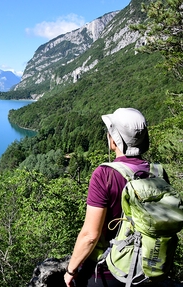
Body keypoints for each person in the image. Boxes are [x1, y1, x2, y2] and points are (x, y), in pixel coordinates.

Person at [64, 108, 164, 287]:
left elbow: (90, 236)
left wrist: (71, 270)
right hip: (150, 268)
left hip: (110, 272)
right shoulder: (158, 173)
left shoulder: (104, 174)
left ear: (114, 141)